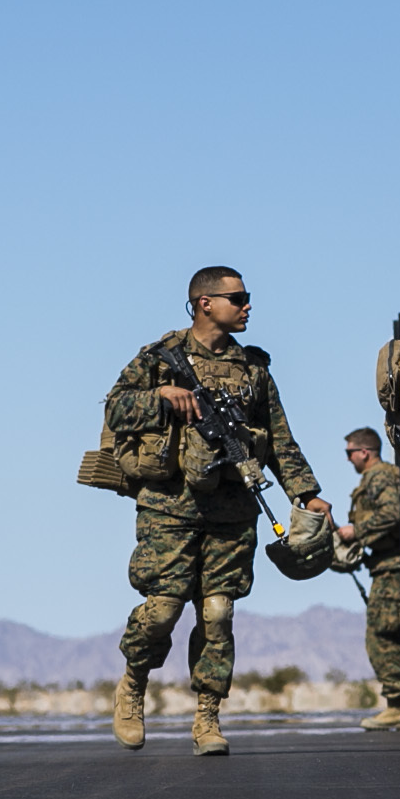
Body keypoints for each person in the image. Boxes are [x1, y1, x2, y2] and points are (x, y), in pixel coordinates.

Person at [101, 266, 327, 756]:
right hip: (169, 508)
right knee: (163, 610)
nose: (247, 307)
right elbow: (115, 408)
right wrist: (161, 397)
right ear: (205, 303)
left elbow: (280, 439)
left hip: (232, 510)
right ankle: (134, 683)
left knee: (218, 613)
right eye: (238, 298)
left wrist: (306, 493)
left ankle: (207, 716)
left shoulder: (254, 369)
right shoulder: (159, 359)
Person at [334, 427, 400, 730]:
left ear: (364, 452)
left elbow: (392, 513)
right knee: (397, 631)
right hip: (386, 565)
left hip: (393, 568)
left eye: (349, 452)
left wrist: (357, 530)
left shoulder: (379, 477)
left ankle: (397, 706)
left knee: (381, 636)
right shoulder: (376, 478)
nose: (348, 459)